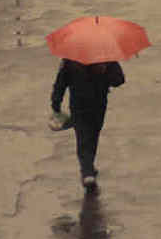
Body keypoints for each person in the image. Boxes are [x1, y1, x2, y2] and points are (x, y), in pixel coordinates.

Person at [50, 59, 125, 188]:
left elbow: (60, 84)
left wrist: (56, 103)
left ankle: (88, 167)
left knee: (89, 136)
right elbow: (118, 80)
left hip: (87, 105)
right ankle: (87, 171)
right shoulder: (106, 57)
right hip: (93, 105)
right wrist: (105, 70)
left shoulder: (70, 59)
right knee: (86, 136)